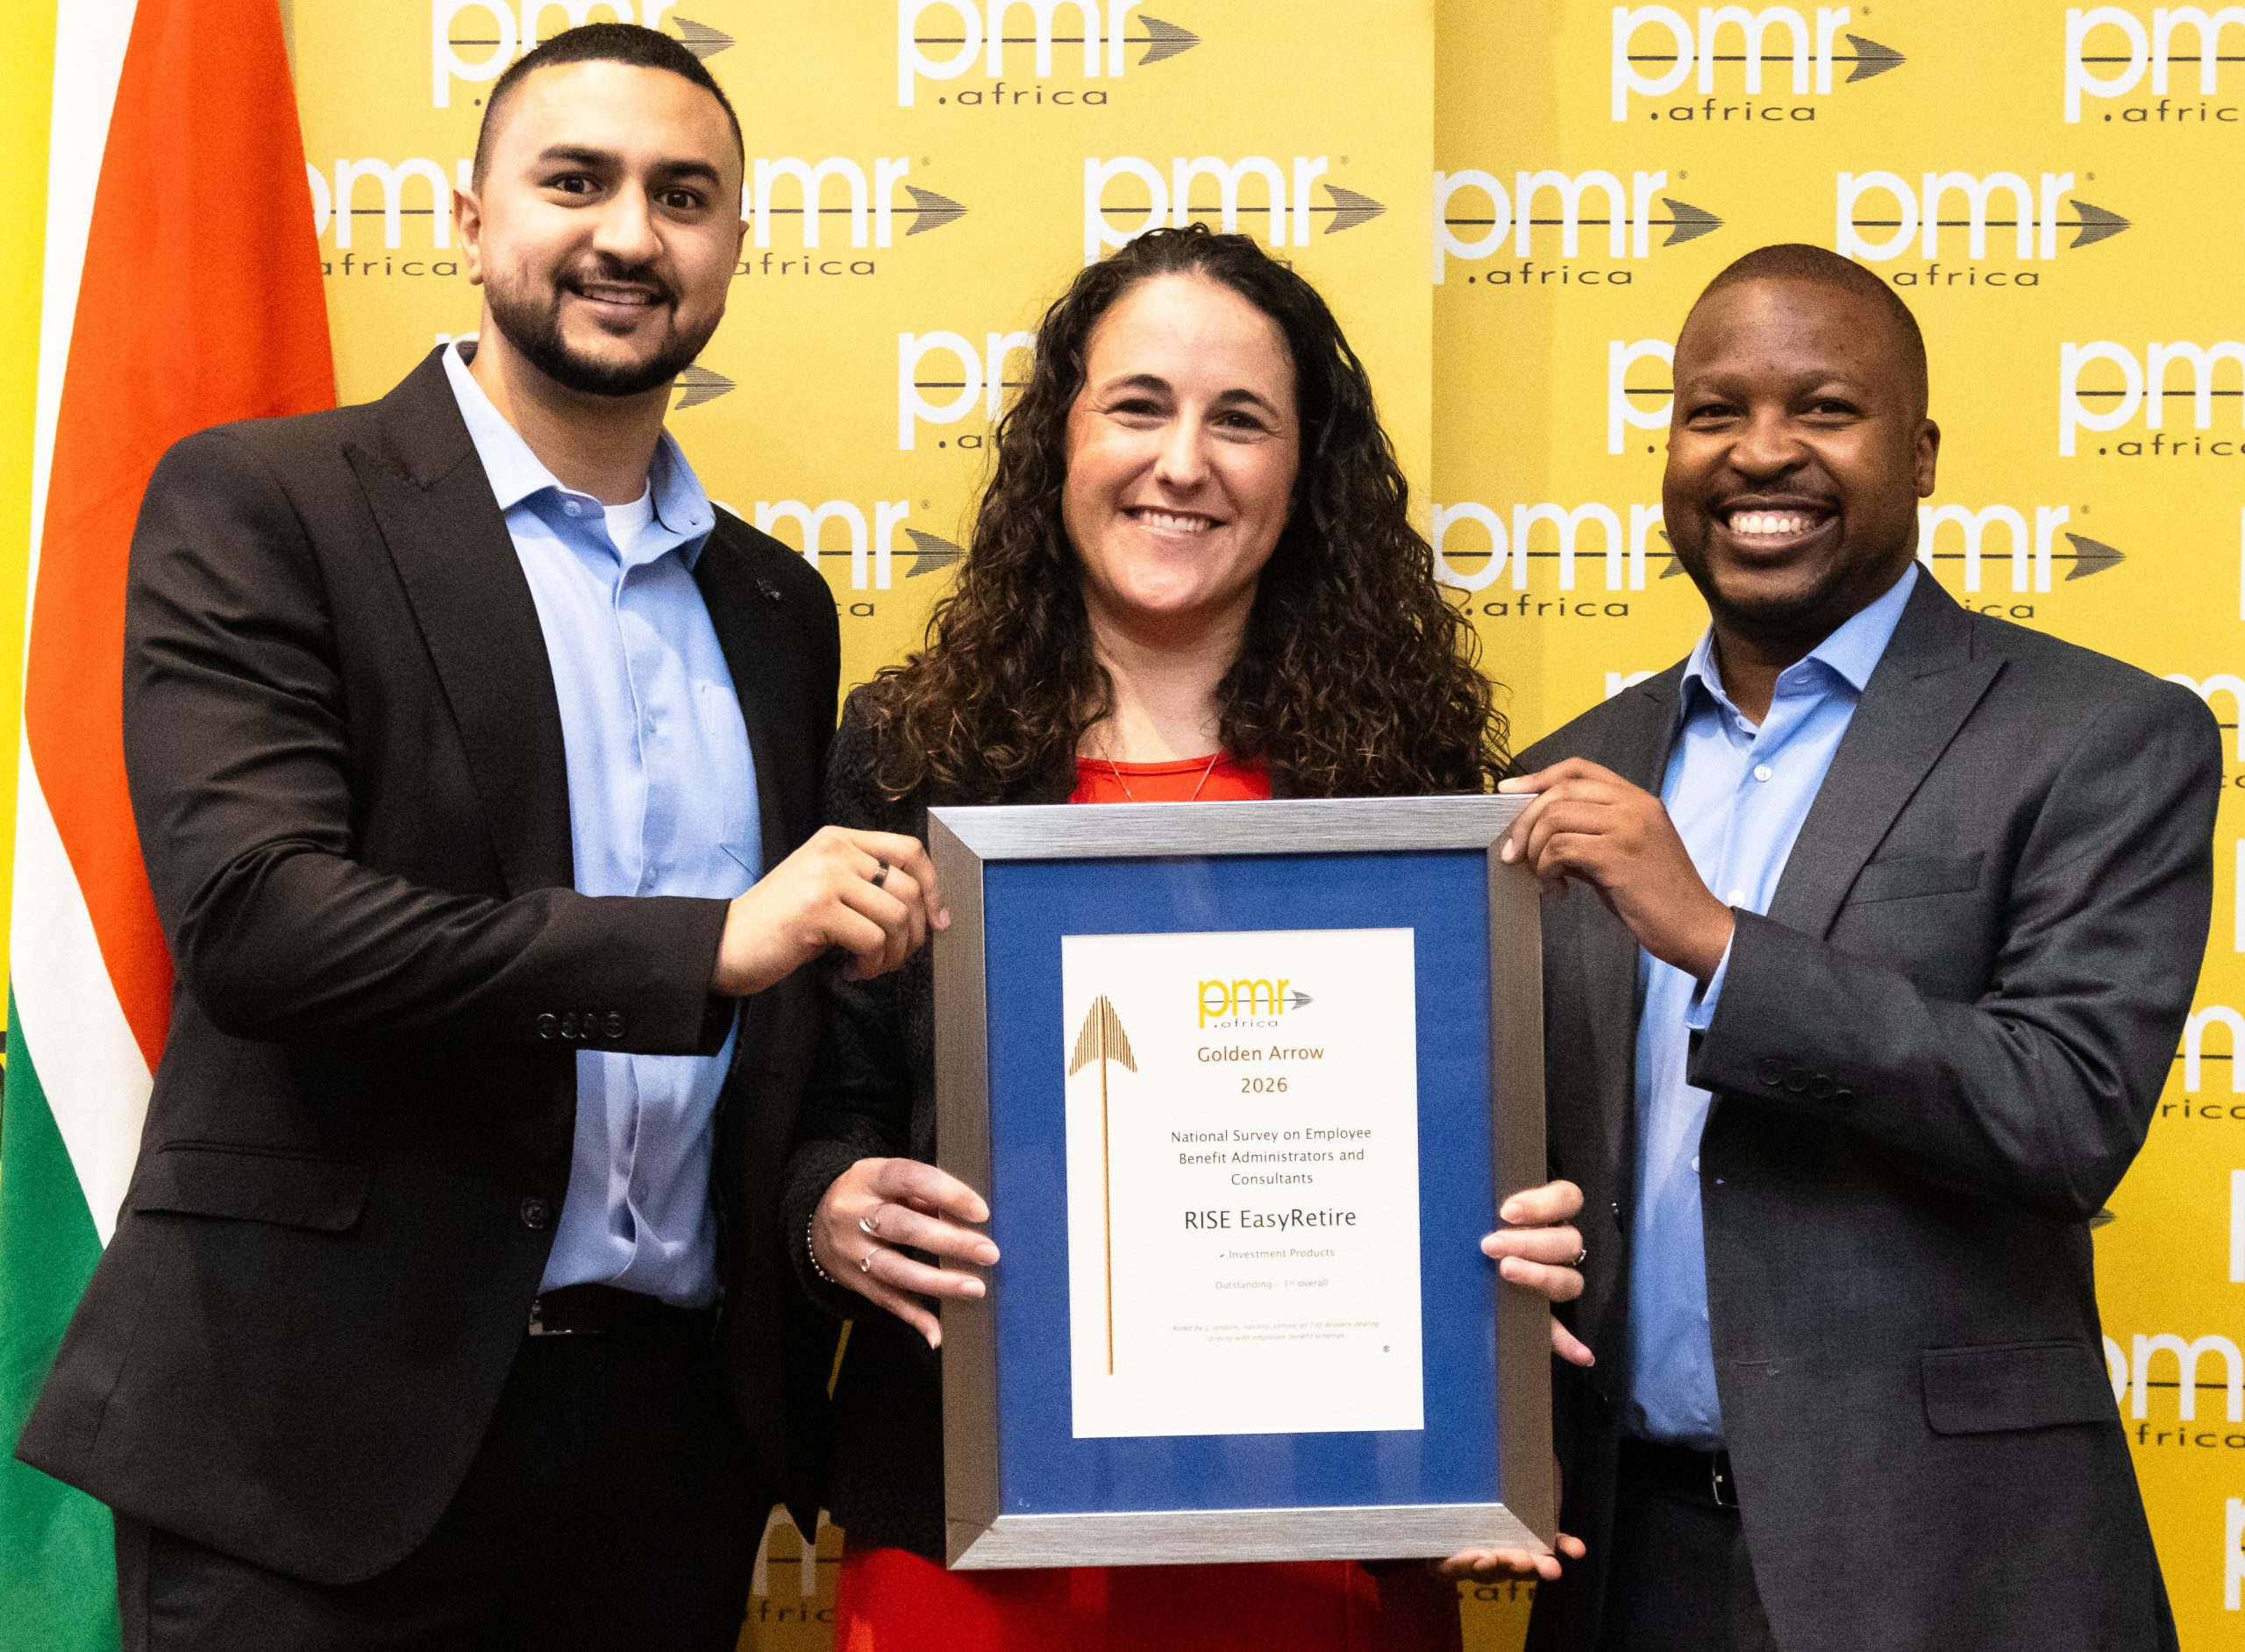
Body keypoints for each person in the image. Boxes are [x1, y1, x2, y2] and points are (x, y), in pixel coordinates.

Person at [18, 25, 944, 1648]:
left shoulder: (777, 605)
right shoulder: (268, 503)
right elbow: (258, 922)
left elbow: (784, 1048)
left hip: (667, 1455)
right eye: (575, 181)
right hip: (316, 1449)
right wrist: (705, 949)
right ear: (466, 220)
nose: (628, 235)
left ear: (736, 244)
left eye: (683, 197)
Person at [779, 224, 1591, 1652]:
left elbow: (1470, 1159)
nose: (1183, 462)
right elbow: (822, 1108)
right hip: (976, 1557)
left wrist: (1505, 1291)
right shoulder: (908, 758)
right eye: (1139, 407)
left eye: (1241, 421)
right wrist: (830, 1214)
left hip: (1325, 1548)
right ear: (1063, 442)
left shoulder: (1408, 791)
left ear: (1305, 471)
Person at [1501, 244, 2216, 1652]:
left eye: (1824, 408)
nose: (1762, 452)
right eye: (1714, 412)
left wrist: (1720, 944)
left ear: (1923, 453)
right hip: (1627, 1565)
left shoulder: (2101, 736)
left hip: (1953, 1572)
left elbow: (2065, 1114)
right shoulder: (1569, 773)